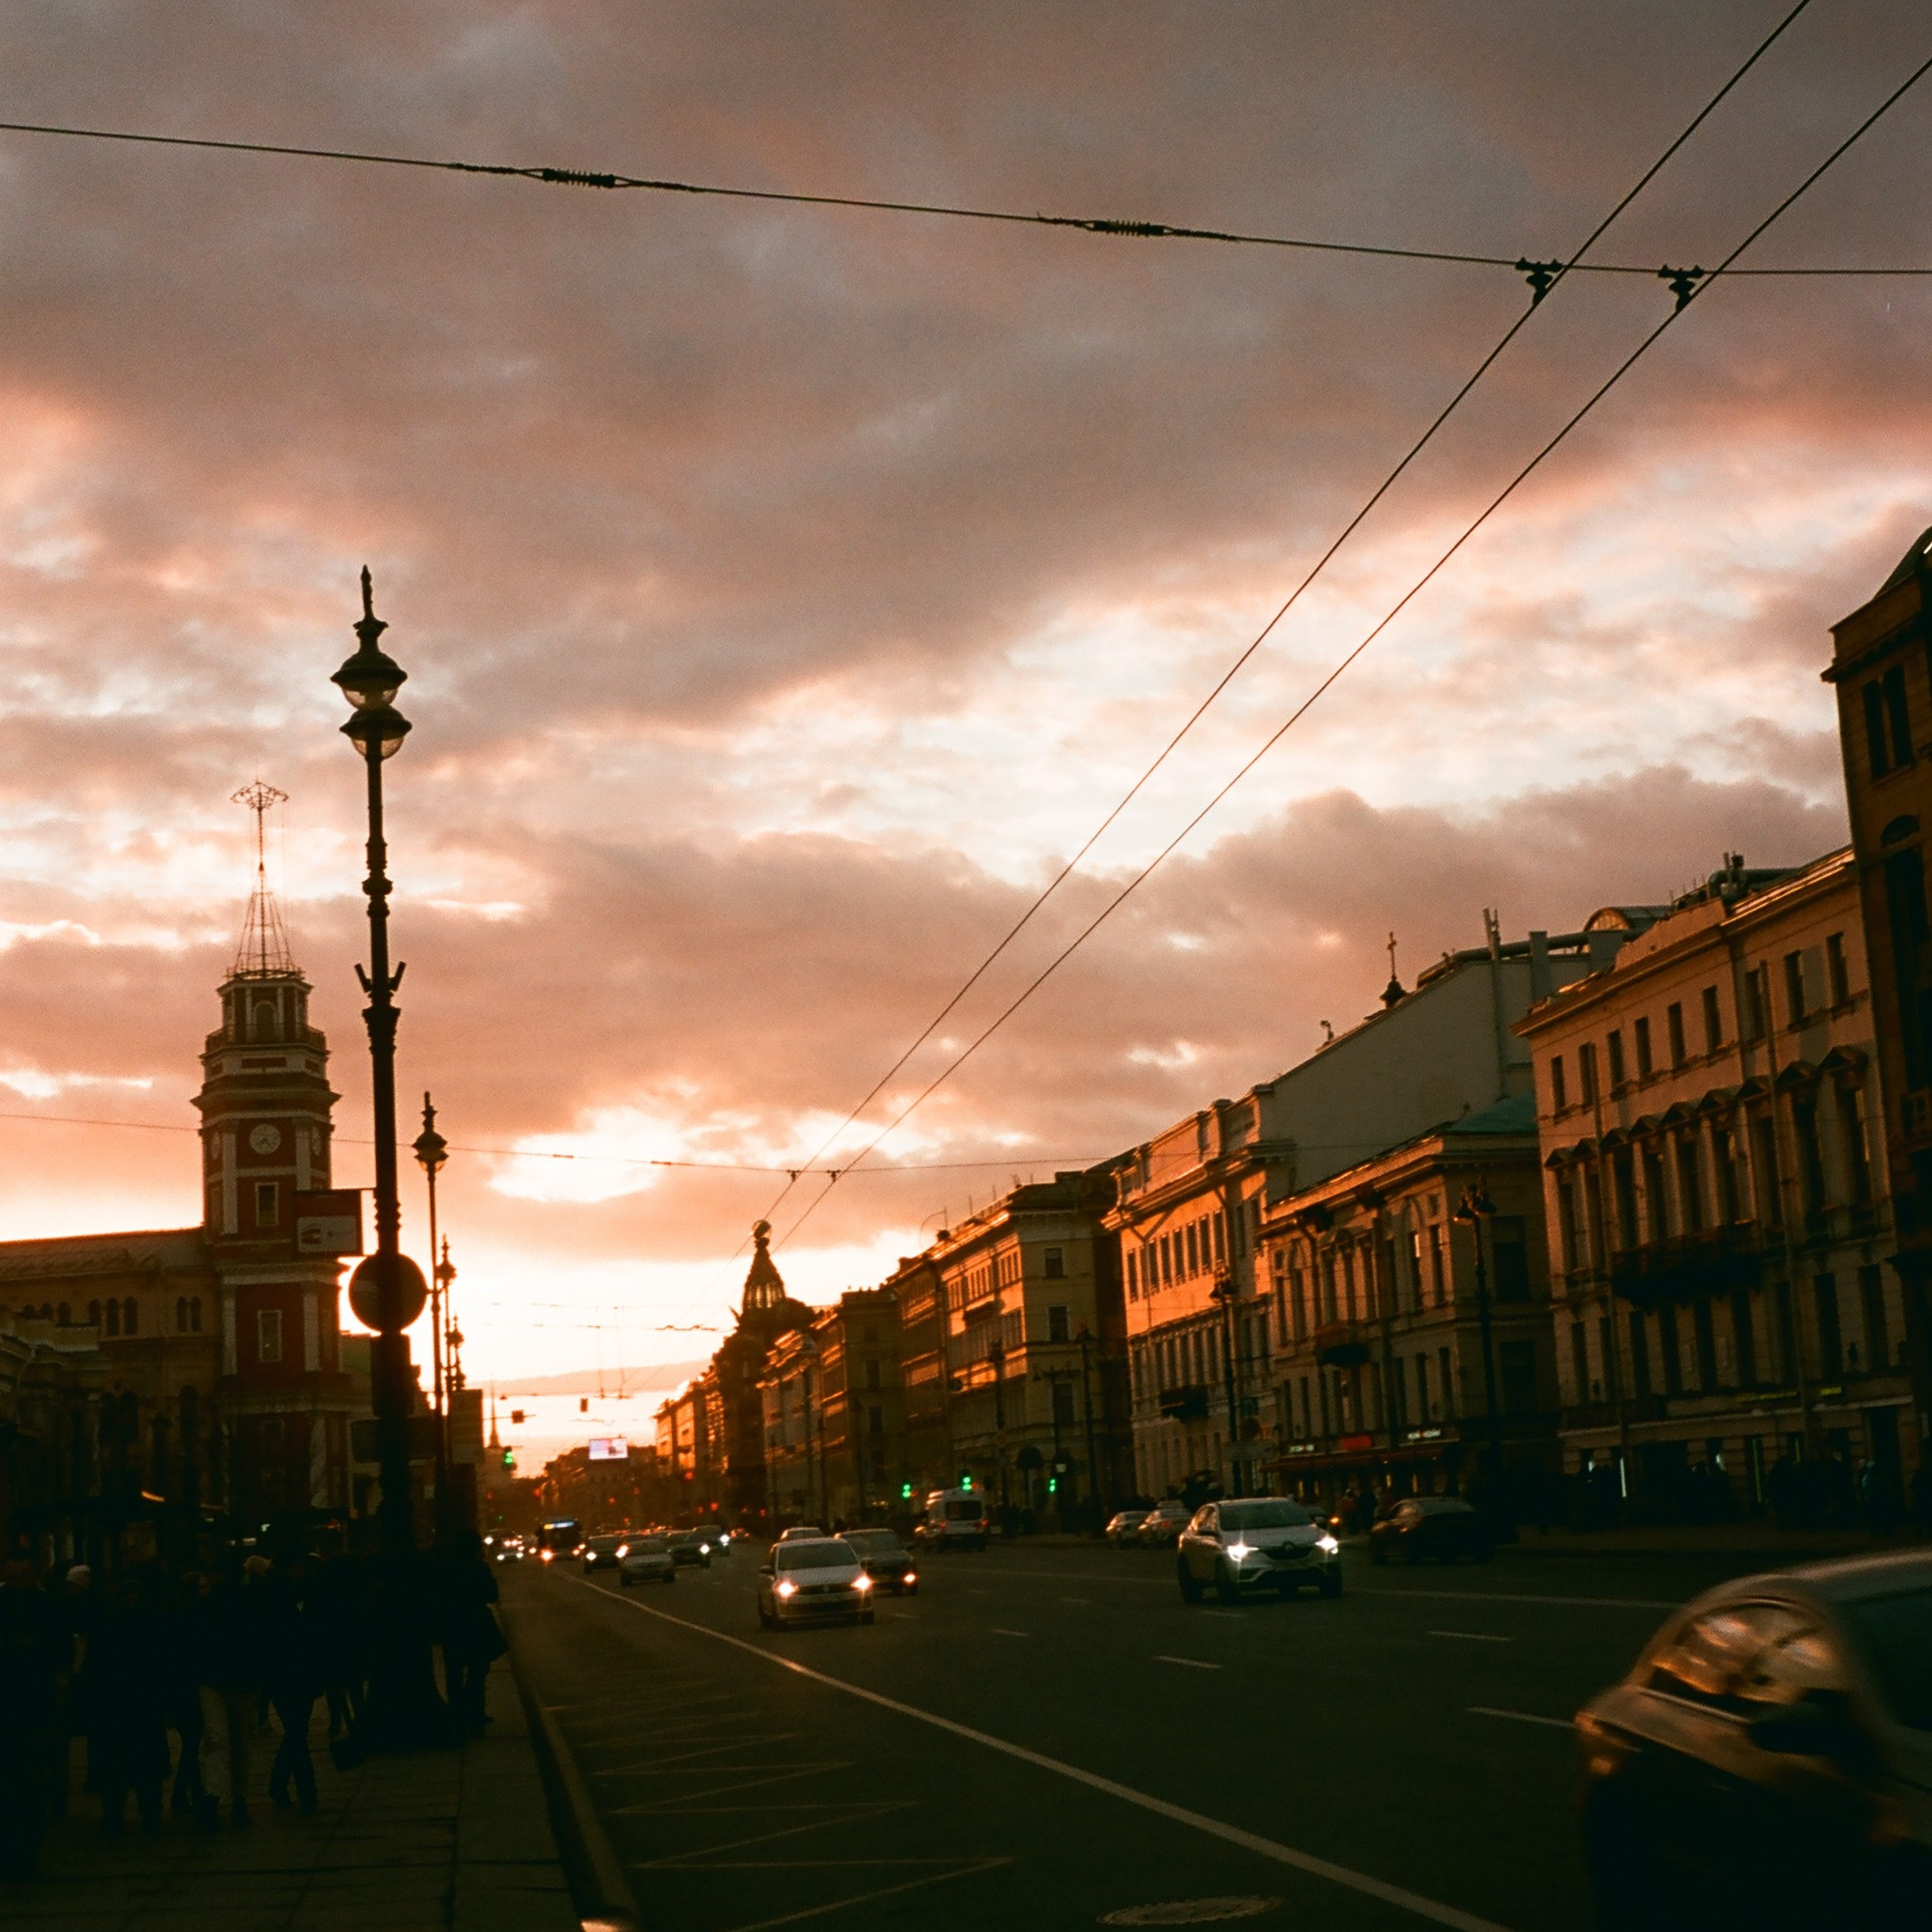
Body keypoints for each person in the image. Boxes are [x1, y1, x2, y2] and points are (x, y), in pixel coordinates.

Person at [81, 1574, 169, 1836]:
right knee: (139, 1766)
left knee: (119, 1766)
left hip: (121, 1705)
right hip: (135, 1705)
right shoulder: (150, 1625)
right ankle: (142, 1814)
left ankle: (123, 1815)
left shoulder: (110, 1626)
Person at [0, 1550, 66, 1879]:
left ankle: (24, 1848)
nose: (17, 1584)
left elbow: (59, 1657)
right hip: (9, 1707)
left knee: (28, 1783)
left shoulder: (46, 1608)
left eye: (22, 1577)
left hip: (34, 1709)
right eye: (13, 1577)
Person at [191, 1561, 265, 1827]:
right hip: (241, 1679)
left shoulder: (204, 1606)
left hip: (212, 1678)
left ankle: (213, 1795)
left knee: (216, 1739)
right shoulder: (251, 1604)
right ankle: (238, 1798)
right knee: (239, 1742)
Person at [260, 1554, 325, 1814]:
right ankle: (308, 1792)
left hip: (305, 1673)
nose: (298, 1572)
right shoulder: (273, 1597)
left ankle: (279, 1783)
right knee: (297, 1732)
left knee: (297, 1733)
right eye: (294, 1566)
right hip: (282, 1674)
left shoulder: (314, 1596)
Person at [435, 1532, 506, 1736]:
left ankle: (458, 1715)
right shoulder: (479, 1569)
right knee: (478, 1671)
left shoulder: (446, 1569)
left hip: (453, 1625)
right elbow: (492, 1595)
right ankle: (476, 1713)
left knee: (454, 1673)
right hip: (476, 1624)